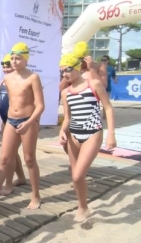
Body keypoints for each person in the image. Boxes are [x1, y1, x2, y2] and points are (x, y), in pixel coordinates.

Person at [0, 42, 44, 210]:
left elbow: (40, 106)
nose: (14, 62)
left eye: (18, 58)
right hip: (10, 121)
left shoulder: (33, 78)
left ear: (26, 59)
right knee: (4, 159)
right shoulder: (7, 78)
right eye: (13, 58)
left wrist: (29, 122)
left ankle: (36, 195)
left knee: (29, 159)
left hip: (28, 121)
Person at [59, 53, 116, 221]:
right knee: (76, 176)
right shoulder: (65, 92)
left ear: (77, 66)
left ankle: (83, 207)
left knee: (77, 175)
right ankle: (83, 206)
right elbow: (68, 117)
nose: (65, 74)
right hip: (73, 135)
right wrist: (62, 131)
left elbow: (108, 108)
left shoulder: (94, 84)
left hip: (93, 132)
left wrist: (111, 133)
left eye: (68, 69)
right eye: (62, 71)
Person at [0, 54, 27, 195]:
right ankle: (20, 177)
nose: (5, 68)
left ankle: (8, 184)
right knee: (11, 153)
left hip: (18, 122)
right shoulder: (3, 81)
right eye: (3, 65)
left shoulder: (23, 80)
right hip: (5, 121)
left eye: (8, 65)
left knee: (10, 154)